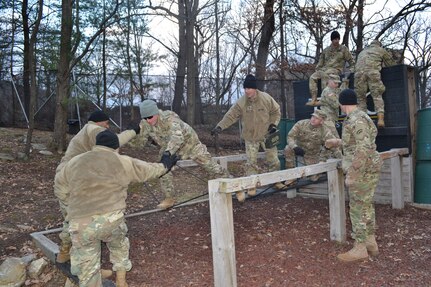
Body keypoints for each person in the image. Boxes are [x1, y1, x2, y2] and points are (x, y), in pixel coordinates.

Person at [55, 130, 178, 287]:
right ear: (115, 147)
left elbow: (60, 189)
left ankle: (91, 279)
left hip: (81, 223)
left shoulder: (74, 162)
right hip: (111, 221)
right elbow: (148, 170)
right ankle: (121, 281)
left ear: (96, 145)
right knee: (119, 245)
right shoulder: (121, 161)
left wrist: (71, 205)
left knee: (87, 269)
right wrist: (165, 165)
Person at [54, 110, 139, 264]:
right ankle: (83, 268)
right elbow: (113, 142)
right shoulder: (94, 129)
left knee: (73, 219)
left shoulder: (86, 131)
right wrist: (133, 131)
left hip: (69, 180)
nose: (107, 127)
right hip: (74, 181)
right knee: (78, 221)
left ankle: (64, 253)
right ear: (100, 122)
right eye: (107, 123)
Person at [138, 99, 230, 209]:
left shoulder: (170, 117)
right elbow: (139, 143)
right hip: (169, 147)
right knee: (162, 169)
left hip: (190, 144)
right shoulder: (145, 124)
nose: (148, 120)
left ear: (156, 113)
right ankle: (169, 198)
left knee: (211, 166)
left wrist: (168, 154)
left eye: (150, 117)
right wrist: (131, 134)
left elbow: (178, 138)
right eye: (145, 118)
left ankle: (232, 184)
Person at [325, 89, 382, 262]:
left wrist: (353, 173)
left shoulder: (356, 120)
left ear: (342, 104)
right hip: (368, 168)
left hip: (362, 170)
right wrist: (338, 142)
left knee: (357, 208)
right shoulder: (361, 117)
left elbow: (363, 148)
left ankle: (360, 248)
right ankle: (370, 242)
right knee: (366, 205)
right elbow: (358, 142)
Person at [212, 74, 283, 201]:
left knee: (274, 160)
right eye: (245, 88)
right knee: (251, 163)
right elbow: (231, 115)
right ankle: (251, 185)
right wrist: (220, 127)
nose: (246, 91)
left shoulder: (266, 98)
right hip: (250, 137)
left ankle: (276, 181)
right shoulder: (242, 102)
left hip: (267, 134)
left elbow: (276, 111)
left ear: (254, 88)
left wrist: (273, 124)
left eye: (249, 88)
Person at [284, 109, 341, 183]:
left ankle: (317, 173)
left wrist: (342, 160)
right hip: (299, 149)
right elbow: (290, 137)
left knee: (313, 178)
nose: (313, 119)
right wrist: (294, 147)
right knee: (288, 148)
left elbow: (332, 145)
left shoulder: (325, 131)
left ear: (321, 121)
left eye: (317, 118)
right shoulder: (301, 124)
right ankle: (291, 176)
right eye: (313, 117)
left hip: (312, 154)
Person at [354, 39, 396, 128]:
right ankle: (380, 119)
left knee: (361, 99)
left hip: (358, 75)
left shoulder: (362, 52)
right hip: (372, 73)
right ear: (379, 45)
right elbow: (391, 64)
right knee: (377, 95)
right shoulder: (381, 50)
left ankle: (362, 121)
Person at [307, 31, 355, 106]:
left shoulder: (343, 49)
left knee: (326, 74)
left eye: (338, 39)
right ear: (332, 40)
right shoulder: (326, 50)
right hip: (325, 69)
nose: (337, 41)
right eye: (335, 39)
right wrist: (318, 70)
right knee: (312, 77)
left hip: (336, 69)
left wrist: (351, 70)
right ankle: (314, 98)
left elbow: (351, 61)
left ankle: (325, 98)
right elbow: (320, 62)